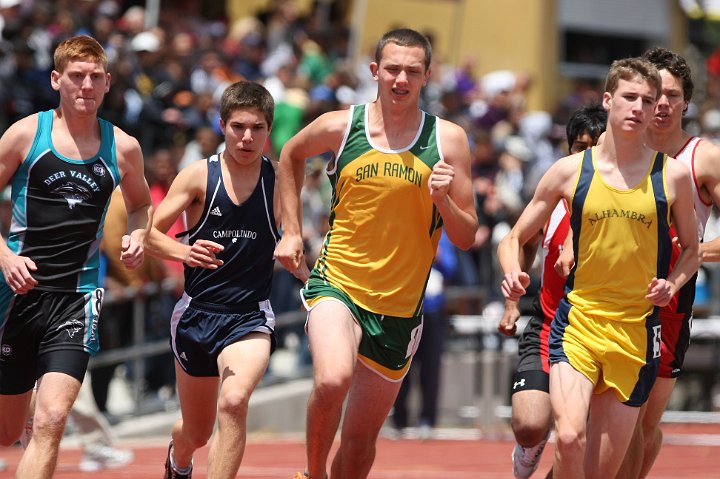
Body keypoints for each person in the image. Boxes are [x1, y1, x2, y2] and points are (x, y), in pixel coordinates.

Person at [274, 28, 478, 479]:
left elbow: (466, 237)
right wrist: (291, 231)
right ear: (375, 72)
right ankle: (312, 473)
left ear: (427, 76)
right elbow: (289, 155)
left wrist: (444, 202)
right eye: (392, 69)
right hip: (338, 283)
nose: (400, 79)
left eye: (412, 70)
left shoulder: (449, 141)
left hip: (399, 309)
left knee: (360, 444)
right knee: (331, 379)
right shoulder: (341, 126)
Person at [498, 57, 700, 479]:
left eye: (649, 100)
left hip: (635, 331)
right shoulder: (570, 171)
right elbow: (515, 237)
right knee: (569, 437)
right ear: (608, 100)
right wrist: (512, 275)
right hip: (578, 324)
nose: (639, 108)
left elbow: (692, 250)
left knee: (600, 473)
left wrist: (673, 282)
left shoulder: (674, 176)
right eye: (630, 97)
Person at [0, 34, 151, 478]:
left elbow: (141, 204)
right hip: (16, 296)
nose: (86, 85)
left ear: (107, 84)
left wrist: (139, 234)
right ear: (56, 80)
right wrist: (6, 258)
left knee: (51, 420)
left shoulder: (122, 147)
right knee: (8, 430)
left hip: (77, 298)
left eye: (96, 77)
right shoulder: (27, 134)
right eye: (77, 76)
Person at [146, 80, 297, 479]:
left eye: (258, 129)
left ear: (269, 129)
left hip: (249, 317)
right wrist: (184, 252)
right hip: (197, 315)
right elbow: (149, 232)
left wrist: (296, 249)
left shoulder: (281, 181)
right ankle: (179, 460)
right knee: (196, 430)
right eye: (238, 127)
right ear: (222, 125)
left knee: (232, 402)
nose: (247, 138)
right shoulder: (198, 176)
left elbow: (302, 237)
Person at [616, 47, 720, 479]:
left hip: (671, 299)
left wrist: (690, 252)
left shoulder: (704, 157)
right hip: (612, 291)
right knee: (608, 416)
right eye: (653, 93)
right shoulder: (619, 147)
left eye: (672, 95)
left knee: (643, 421)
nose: (661, 104)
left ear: (685, 103)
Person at [498, 103, 607, 479]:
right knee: (530, 424)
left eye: (597, 146)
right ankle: (531, 442)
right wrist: (513, 294)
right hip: (549, 325)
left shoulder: (628, 200)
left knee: (575, 440)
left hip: (601, 329)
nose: (588, 156)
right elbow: (517, 241)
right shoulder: (556, 192)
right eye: (580, 147)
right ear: (569, 150)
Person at [391, 230, 457, 440]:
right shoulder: (404, 227)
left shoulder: (444, 235)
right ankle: (399, 419)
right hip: (404, 310)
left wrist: (434, 252)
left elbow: (451, 268)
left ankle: (427, 419)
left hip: (433, 311)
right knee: (400, 367)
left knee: (431, 370)